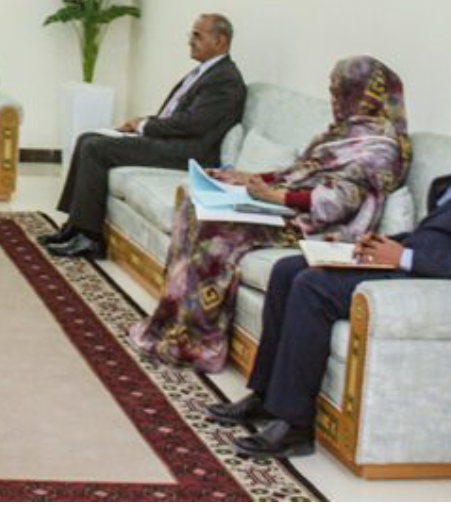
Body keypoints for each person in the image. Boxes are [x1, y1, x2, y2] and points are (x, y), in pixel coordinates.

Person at [209, 85, 451, 460]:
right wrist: (378, 245)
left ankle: (295, 426)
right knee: (289, 268)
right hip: (409, 256)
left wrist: (405, 257)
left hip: (436, 280)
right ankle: (266, 397)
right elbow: (438, 232)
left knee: (314, 286)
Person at [128, 55, 411, 372]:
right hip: (285, 207)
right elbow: (300, 172)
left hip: (318, 227)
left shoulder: (382, 146)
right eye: (332, 91)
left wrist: (274, 196)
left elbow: (340, 202)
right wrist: (247, 179)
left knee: (216, 230)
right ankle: (171, 322)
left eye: (341, 92)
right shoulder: (343, 132)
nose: (334, 100)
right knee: (195, 206)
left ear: (365, 94)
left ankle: (199, 343)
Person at [46, 14, 247, 260]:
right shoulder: (206, 72)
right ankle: (74, 228)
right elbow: (177, 115)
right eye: (191, 34)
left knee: (96, 148)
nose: (190, 41)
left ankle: (90, 238)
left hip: (188, 152)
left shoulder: (226, 79)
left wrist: (145, 126)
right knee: (87, 138)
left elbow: (193, 124)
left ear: (220, 41)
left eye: (197, 35)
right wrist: (140, 122)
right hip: (175, 140)